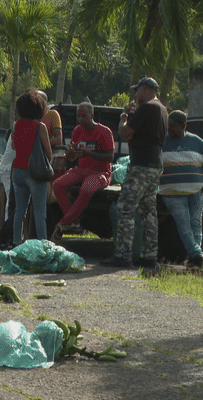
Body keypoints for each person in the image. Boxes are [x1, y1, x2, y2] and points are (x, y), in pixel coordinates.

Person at [103, 77, 167, 269]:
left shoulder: (147, 107)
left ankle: (123, 255)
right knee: (148, 211)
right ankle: (149, 257)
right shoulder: (162, 108)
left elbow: (125, 133)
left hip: (141, 164)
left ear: (145, 89)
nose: (136, 95)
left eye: (137, 90)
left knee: (125, 206)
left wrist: (124, 116)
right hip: (155, 164)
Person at [50, 102, 114, 242]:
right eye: (78, 116)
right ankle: (74, 221)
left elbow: (110, 157)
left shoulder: (104, 132)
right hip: (81, 169)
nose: (80, 118)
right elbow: (72, 157)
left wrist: (89, 153)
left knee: (86, 190)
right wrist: (71, 153)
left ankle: (64, 222)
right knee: (57, 185)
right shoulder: (77, 131)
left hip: (100, 172)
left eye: (84, 115)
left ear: (92, 115)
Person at [159, 110, 203, 269]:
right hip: (172, 191)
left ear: (184, 126)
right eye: (167, 124)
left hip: (196, 190)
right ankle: (197, 254)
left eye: (173, 126)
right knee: (184, 224)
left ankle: (195, 259)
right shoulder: (162, 141)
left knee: (196, 224)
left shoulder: (197, 142)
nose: (169, 128)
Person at [10, 88, 52, 246]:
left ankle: (16, 242)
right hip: (35, 173)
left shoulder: (16, 125)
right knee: (40, 213)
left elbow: (14, 146)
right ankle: (43, 246)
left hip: (17, 171)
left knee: (20, 212)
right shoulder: (40, 127)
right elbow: (48, 152)